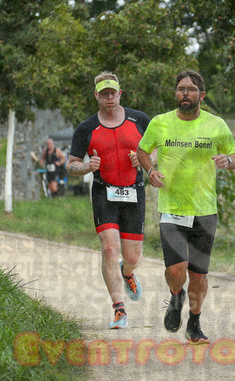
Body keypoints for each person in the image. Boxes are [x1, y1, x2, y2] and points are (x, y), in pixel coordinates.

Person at [137, 69, 235, 344]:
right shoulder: (160, 123)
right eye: (181, 89)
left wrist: (228, 161)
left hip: (204, 210)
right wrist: (151, 171)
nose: (185, 93)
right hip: (172, 208)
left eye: (191, 89)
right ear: (176, 94)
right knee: (175, 270)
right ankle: (176, 296)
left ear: (201, 95)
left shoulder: (216, 124)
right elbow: (142, 150)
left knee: (198, 274)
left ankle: (194, 323)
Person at [66, 71, 150, 330]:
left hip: (134, 191)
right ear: (96, 96)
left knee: (133, 256)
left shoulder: (140, 120)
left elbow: (157, 150)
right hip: (104, 193)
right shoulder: (86, 128)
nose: (109, 97)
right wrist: (86, 167)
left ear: (120, 93)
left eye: (113, 93)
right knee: (109, 248)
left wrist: (145, 159)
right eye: (104, 94)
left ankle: (127, 272)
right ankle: (119, 309)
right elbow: (71, 164)